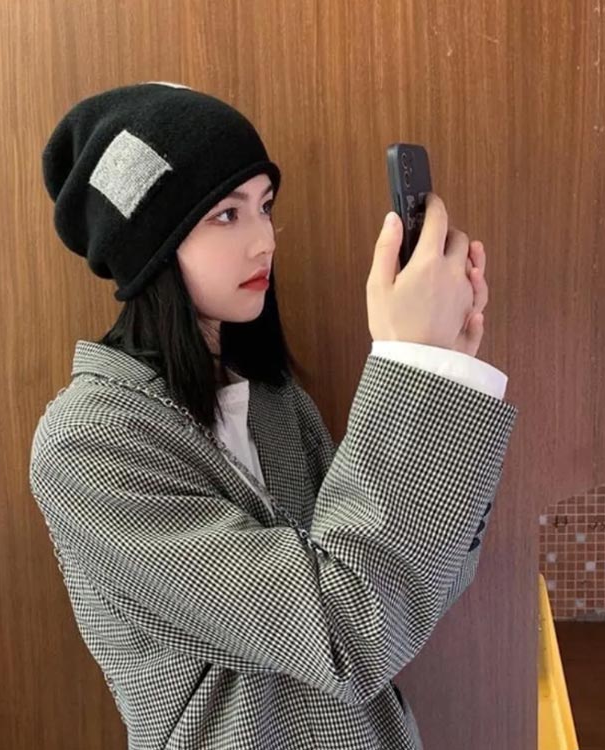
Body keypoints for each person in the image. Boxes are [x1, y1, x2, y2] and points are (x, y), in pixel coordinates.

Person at [29, 82, 519, 750]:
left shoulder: (275, 401)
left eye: (265, 207)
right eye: (226, 214)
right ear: (150, 244)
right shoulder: (88, 447)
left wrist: (448, 372)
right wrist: (416, 368)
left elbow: (411, 590)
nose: (263, 241)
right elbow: (345, 632)